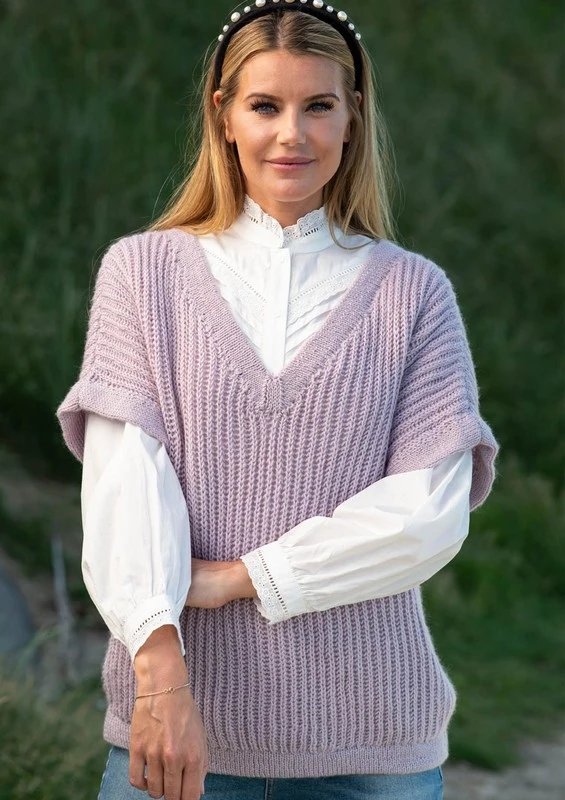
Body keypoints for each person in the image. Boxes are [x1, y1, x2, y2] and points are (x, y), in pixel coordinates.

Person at [57, 2, 499, 799]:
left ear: (352, 117)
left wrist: (243, 578)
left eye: (317, 105)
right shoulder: (141, 275)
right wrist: (160, 676)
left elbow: (426, 515)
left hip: (370, 746)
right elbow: (126, 486)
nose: (291, 134)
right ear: (223, 116)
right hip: (176, 726)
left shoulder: (413, 294)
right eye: (265, 106)